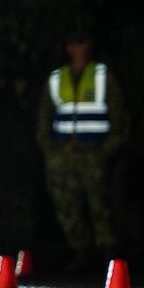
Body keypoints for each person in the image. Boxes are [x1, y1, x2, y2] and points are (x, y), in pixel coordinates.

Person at [38, 31, 127, 271]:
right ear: (68, 47)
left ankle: (109, 252)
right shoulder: (56, 78)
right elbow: (44, 118)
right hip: (63, 153)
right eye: (75, 43)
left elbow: (119, 117)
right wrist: (51, 152)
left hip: (94, 152)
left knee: (101, 202)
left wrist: (107, 150)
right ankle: (80, 251)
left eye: (85, 42)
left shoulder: (102, 75)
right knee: (67, 204)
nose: (80, 48)